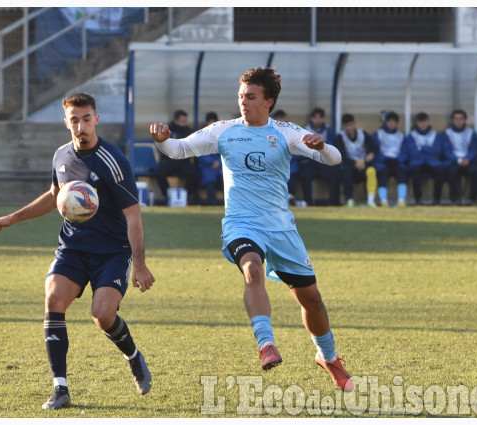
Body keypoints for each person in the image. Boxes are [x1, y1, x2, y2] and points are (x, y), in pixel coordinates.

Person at [149, 67, 353, 392]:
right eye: (241, 96)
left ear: (268, 101)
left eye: (251, 96)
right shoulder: (224, 131)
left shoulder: (285, 132)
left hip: (281, 228)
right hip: (241, 224)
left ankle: (328, 357)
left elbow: (335, 159)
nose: (243, 102)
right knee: (252, 270)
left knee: (311, 299)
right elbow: (179, 149)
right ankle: (266, 344)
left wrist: (322, 146)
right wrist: (162, 141)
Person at [0, 93, 156, 409]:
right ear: (66, 122)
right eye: (74, 119)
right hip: (73, 248)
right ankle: (60, 389)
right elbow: (54, 196)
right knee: (53, 299)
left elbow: (133, 214)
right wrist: (11, 218)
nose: (81, 125)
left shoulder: (114, 162)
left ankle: (133, 356)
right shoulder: (61, 156)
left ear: (96, 119)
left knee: (103, 315)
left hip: (112, 252)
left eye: (86, 118)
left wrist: (141, 264)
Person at [155, 109, 201, 205]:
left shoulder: (189, 132)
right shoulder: (167, 130)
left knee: (195, 174)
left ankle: (185, 197)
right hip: (168, 160)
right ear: (176, 121)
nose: (185, 124)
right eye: (182, 121)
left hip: (183, 160)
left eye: (186, 121)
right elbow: (161, 145)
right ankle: (168, 197)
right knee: (160, 173)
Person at [334, 113, 378, 207]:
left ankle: (370, 201)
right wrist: (354, 163)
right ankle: (349, 200)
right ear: (343, 126)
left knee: (371, 171)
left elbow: (374, 146)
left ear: (354, 123)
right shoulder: (340, 136)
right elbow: (341, 155)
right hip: (350, 164)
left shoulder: (362, 133)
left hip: (363, 163)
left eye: (351, 124)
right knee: (346, 172)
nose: (349, 127)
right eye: (346, 125)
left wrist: (371, 154)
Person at [300, 107, 340, 206]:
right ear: (312, 118)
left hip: (323, 160)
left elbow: (332, 146)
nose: (317, 120)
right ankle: (308, 202)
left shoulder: (328, 130)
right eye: (315, 117)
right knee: (305, 174)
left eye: (320, 117)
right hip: (309, 160)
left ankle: (334, 202)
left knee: (334, 173)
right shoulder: (305, 130)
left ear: (323, 118)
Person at [441, 109, 477, 205]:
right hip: (453, 160)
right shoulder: (447, 133)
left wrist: (468, 158)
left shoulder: (471, 133)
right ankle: (454, 199)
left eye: (461, 119)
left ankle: (473, 199)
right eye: (456, 119)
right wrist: (458, 159)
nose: (458, 121)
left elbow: (474, 149)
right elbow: (447, 151)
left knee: (476, 171)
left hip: (468, 160)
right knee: (451, 171)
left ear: (465, 120)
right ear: (452, 120)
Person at [405, 112, 446, 205]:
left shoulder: (435, 134)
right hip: (417, 161)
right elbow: (412, 152)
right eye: (420, 122)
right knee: (415, 171)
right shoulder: (412, 135)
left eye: (424, 121)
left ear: (428, 122)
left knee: (440, 171)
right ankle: (418, 199)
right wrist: (429, 150)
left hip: (433, 162)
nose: (422, 124)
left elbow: (438, 151)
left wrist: (421, 147)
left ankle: (437, 199)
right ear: (416, 122)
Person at [372, 111, 409, 207]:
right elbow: (374, 150)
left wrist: (398, 160)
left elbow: (405, 151)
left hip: (397, 162)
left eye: (393, 121)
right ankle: (384, 201)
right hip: (383, 163)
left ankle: (401, 201)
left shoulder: (401, 136)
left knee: (402, 175)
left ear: (397, 123)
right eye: (389, 121)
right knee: (382, 176)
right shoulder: (378, 134)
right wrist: (383, 159)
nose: (391, 123)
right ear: (385, 122)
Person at [272, 109, 299, 205]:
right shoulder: (270, 132)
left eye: (282, 118)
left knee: (292, 170)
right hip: (275, 163)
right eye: (278, 118)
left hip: (290, 162)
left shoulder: (291, 131)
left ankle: (290, 196)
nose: (280, 120)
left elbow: (297, 150)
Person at [197, 111, 224, 205]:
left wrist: (219, 162)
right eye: (210, 122)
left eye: (214, 122)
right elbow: (199, 152)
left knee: (225, 177)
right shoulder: (200, 135)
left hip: (220, 165)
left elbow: (226, 151)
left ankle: (227, 202)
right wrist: (211, 163)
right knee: (209, 178)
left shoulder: (222, 136)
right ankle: (211, 201)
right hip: (207, 166)